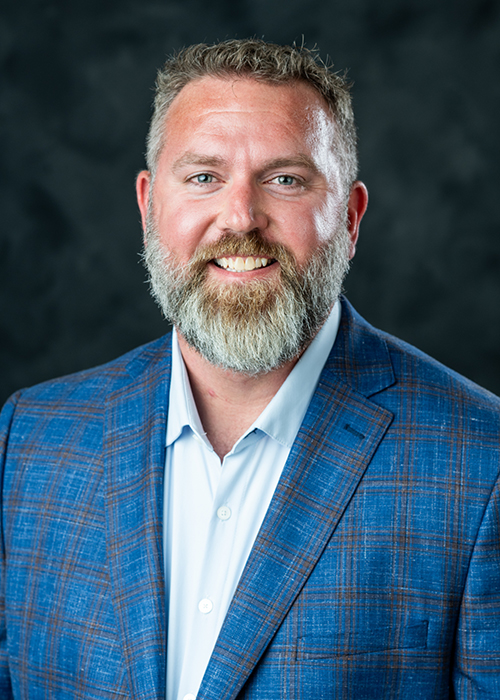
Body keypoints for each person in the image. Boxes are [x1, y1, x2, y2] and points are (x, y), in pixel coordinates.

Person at [1, 38, 499, 700]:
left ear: (350, 219)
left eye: (285, 179)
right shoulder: (28, 441)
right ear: (149, 205)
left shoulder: (482, 464)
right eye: (203, 177)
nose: (240, 218)